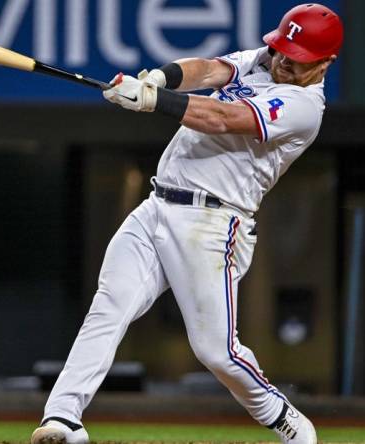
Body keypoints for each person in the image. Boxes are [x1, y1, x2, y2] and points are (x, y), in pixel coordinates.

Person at [31, 4, 343, 444]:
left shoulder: (304, 107)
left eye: (297, 57)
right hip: (157, 205)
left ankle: (281, 415)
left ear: (325, 64)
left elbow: (222, 119)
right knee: (110, 305)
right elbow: (210, 69)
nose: (283, 60)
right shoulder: (265, 60)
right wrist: (159, 79)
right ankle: (64, 417)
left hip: (213, 223)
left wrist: (153, 101)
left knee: (217, 351)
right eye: (281, 49)